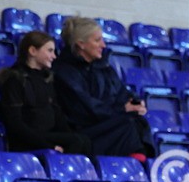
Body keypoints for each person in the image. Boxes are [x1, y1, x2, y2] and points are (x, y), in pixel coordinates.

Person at [52, 16, 154, 159]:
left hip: (107, 123)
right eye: (97, 40)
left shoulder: (103, 67)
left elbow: (121, 93)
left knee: (138, 121)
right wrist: (122, 110)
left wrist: (134, 103)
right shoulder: (64, 72)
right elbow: (85, 109)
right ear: (81, 44)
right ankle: (136, 167)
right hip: (84, 130)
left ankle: (139, 168)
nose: (104, 45)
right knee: (127, 124)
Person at [0, 31, 91, 155]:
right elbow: (15, 125)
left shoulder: (46, 79)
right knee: (76, 141)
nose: (54, 56)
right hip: (25, 140)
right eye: (50, 51)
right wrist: (49, 146)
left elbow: (58, 115)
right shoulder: (14, 79)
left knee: (84, 140)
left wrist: (68, 136)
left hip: (46, 136)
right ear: (33, 51)